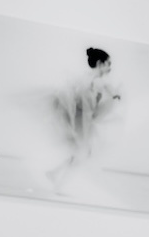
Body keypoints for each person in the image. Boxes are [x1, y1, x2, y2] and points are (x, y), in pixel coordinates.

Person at [46, 46, 123, 195]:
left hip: (79, 121)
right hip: (83, 123)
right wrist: (116, 95)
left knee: (80, 155)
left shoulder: (86, 77)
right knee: (82, 156)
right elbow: (98, 103)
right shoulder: (99, 82)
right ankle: (58, 186)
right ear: (100, 63)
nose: (110, 68)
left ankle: (54, 174)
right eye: (108, 64)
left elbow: (78, 100)